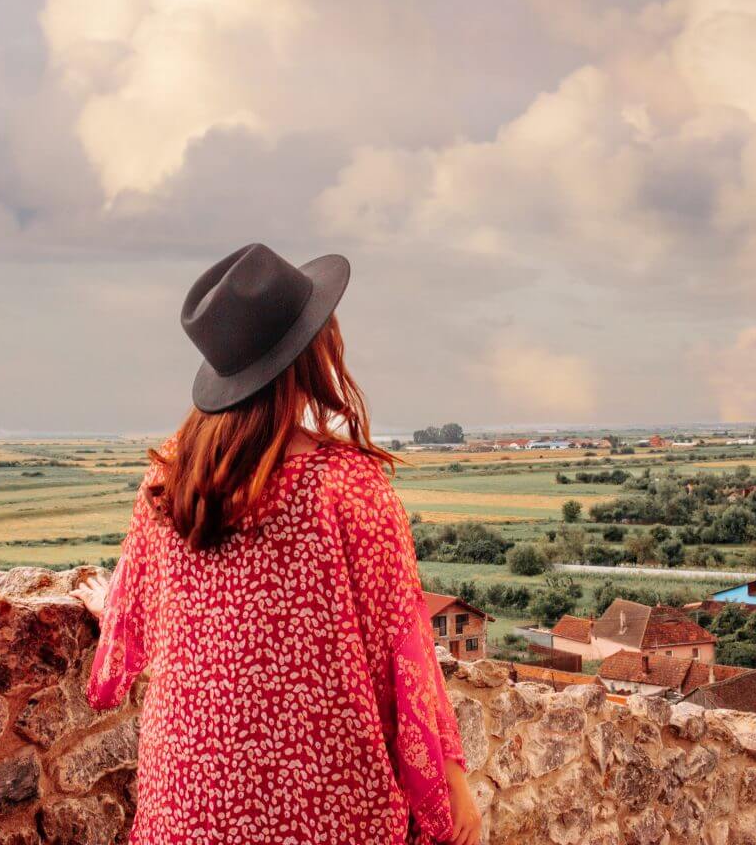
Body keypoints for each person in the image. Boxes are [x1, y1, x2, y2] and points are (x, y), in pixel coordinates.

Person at [70, 243, 481, 845]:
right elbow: (405, 659)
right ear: (312, 355)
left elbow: (135, 621)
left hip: (188, 795)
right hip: (326, 801)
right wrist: (449, 789)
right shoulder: (347, 488)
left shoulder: (168, 484)